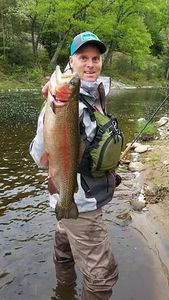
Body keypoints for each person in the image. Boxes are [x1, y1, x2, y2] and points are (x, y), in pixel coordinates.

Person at [30, 31, 120, 300]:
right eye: (84, 58)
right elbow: (38, 157)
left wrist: (106, 171)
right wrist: (51, 106)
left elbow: (92, 145)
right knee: (102, 278)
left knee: (64, 246)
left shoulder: (94, 92)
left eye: (96, 58)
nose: (91, 64)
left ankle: (64, 291)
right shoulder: (60, 103)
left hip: (73, 196)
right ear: (72, 60)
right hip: (82, 204)